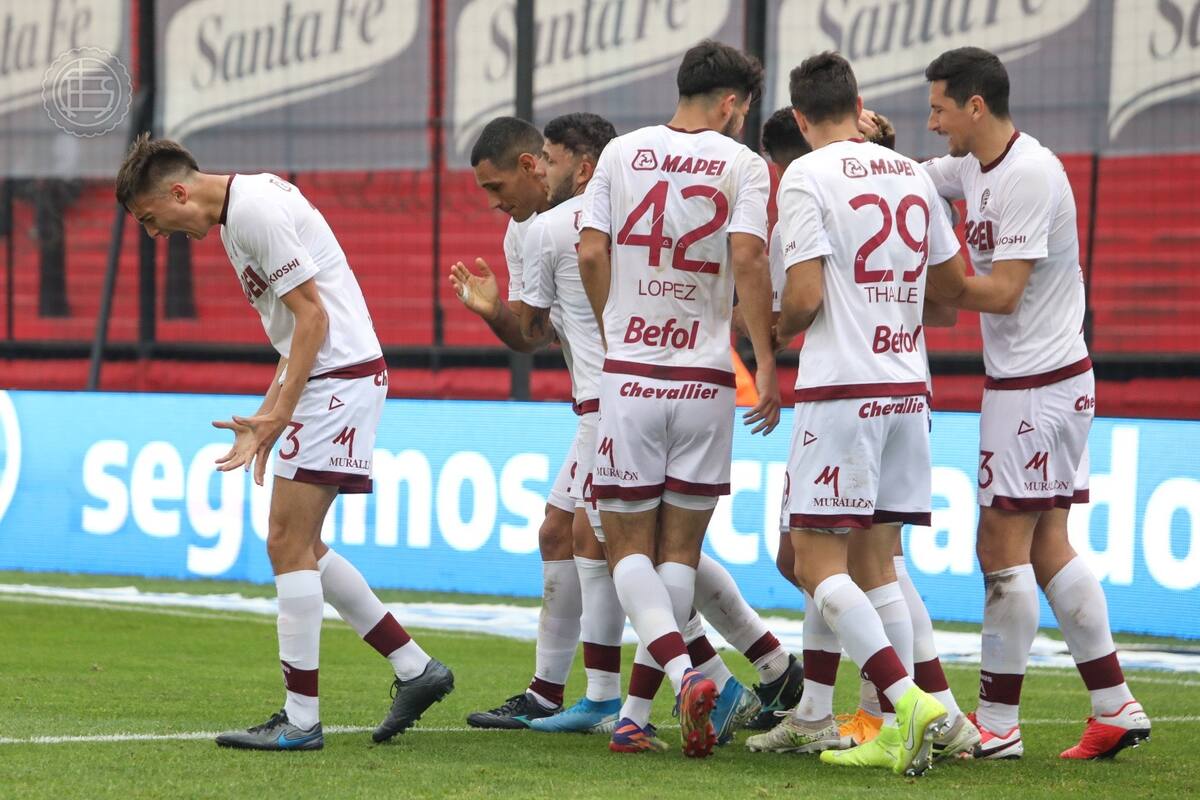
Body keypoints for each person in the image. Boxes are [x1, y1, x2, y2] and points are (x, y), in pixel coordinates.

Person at [115, 135, 453, 750]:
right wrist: (269, 411)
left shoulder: (254, 212)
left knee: (285, 541)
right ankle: (415, 669)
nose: (155, 235)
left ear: (178, 191)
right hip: (333, 380)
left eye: (150, 220)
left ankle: (300, 721)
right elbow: (293, 332)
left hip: (339, 380)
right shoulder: (237, 216)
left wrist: (281, 414)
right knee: (304, 546)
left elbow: (315, 318)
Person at [922, 46, 1151, 761]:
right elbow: (918, 180)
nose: (933, 124)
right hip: (1047, 381)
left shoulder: (1027, 175)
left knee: (999, 546)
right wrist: (870, 151)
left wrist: (936, 280)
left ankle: (997, 725)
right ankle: (1115, 705)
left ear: (976, 106)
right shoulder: (974, 165)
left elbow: (1002, 291)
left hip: (1034, 388)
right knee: (1048, 544)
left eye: (938, 109)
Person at [750, 107, 977, 762]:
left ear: (783, 158)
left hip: (843, 389)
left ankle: (904, 709)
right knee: (870, 563)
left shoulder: (810, 186)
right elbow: (947, 301)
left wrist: (771, 331)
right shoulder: (905, 179)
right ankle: (828, 712)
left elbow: (804, 295)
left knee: (817, 560)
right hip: (906, 383)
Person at [578, 39, 781, 759]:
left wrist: (615, 324)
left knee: (624, 545)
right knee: (680, 555)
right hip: (705, 378)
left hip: (631, 374)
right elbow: (751, 258)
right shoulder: (745, 165)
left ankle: (680, 674)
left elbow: (591, 254)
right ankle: (638, 715)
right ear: (731, 103)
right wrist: (764, 359)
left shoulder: (620, 153)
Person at [449, 117, 587, 728]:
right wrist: (494, 313)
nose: (494, 202)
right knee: (580, 538)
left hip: (626, 403)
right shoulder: (521, 236)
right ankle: (770, 667)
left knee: (618, 545)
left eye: (497, 185)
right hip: (605, 404)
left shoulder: (575, 225)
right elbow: (534, 336)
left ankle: (731, 676)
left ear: (535, 165)